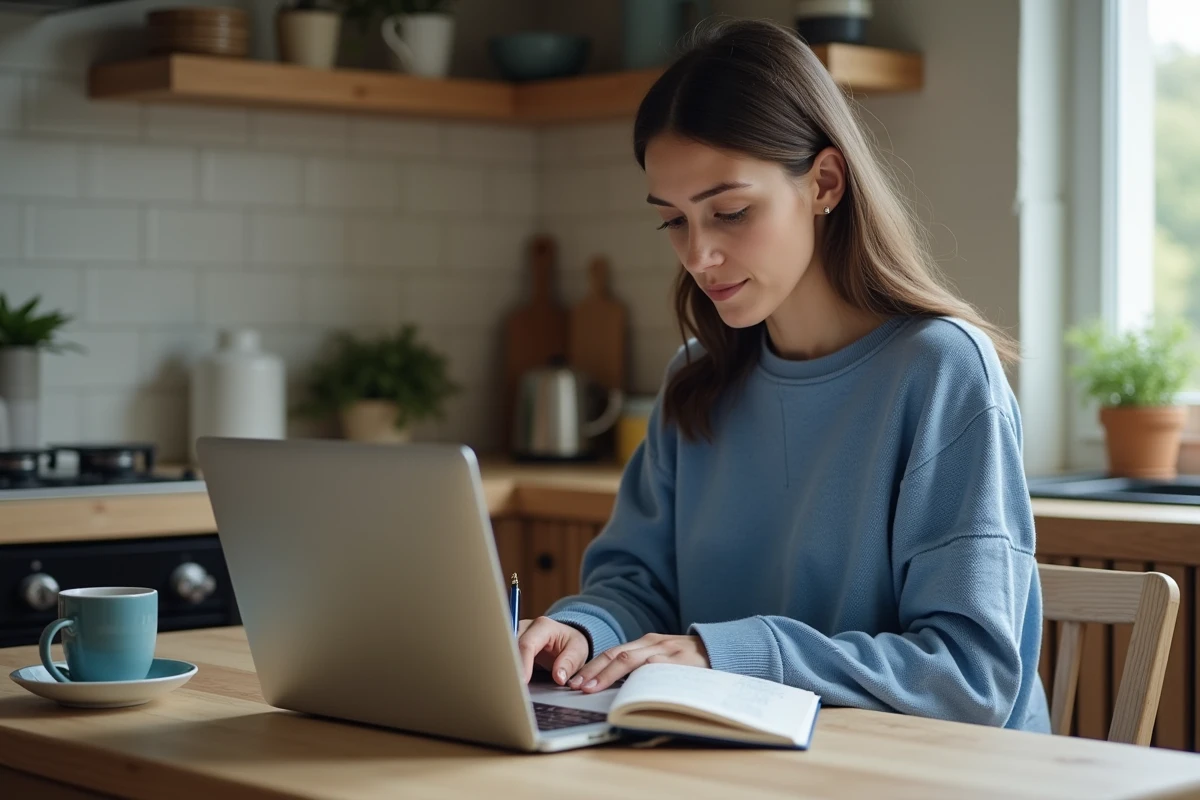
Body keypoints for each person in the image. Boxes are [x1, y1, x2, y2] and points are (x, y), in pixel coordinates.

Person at [515, 17, 1050, 732]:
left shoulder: (942, 372)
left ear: (824, 182)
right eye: (673, 221)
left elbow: (968, 676)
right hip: (741, 763)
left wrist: (727, 654)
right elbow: (637, 587)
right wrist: (586, 630)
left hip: (926, 774)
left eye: (730, 212)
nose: (698, 255)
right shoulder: (694, 383)